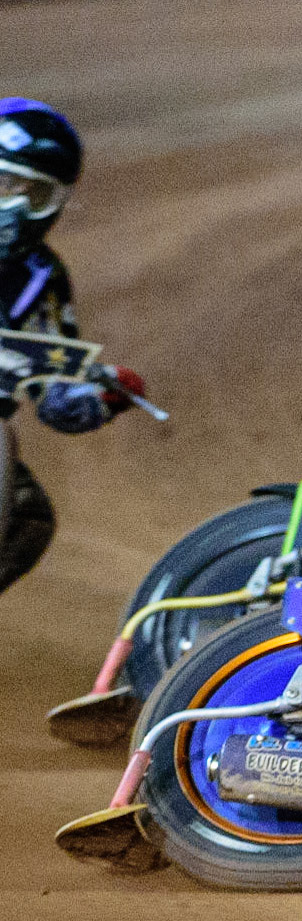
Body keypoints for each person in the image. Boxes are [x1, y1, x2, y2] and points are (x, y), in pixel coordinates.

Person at [0, 98, 143, 595]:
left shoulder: (42, 278)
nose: (14, 208)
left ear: (55, 203)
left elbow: (57, 398)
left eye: (32, 194)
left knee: (26, 518)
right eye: (3, 185)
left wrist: (101, 397)